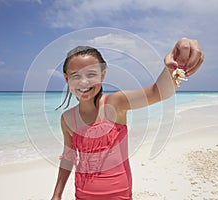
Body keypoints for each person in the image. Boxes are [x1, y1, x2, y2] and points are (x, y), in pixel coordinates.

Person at [51, 38, 204, 200]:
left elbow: (157, 92)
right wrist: (57, 194)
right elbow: (68, 159)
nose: (84, 82)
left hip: (119, 194)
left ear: (102, 75)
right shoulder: (67, 119)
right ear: (67, 79)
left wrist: (173, 66)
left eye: (91, 74)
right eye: (76, 76)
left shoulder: (116, 103)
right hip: (83, 195)